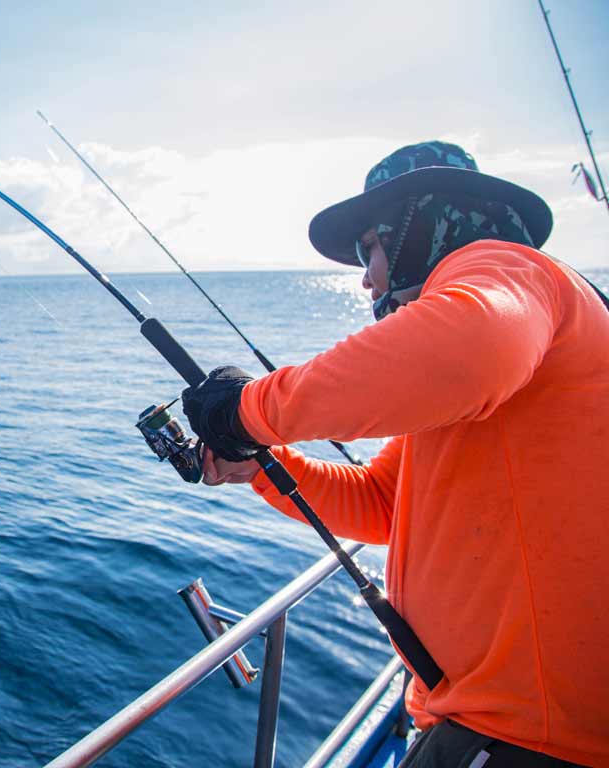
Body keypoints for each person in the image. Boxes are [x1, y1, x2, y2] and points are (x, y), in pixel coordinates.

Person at [181, 141, 608, 767]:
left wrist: (248, 411)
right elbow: (385, 504)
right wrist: (265, 466)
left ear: (424, 227)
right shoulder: (473, 360)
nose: (365, 276)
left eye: (371, 248)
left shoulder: (507, 269)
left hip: (529, 735)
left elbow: (466, 351)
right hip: (476, 714)